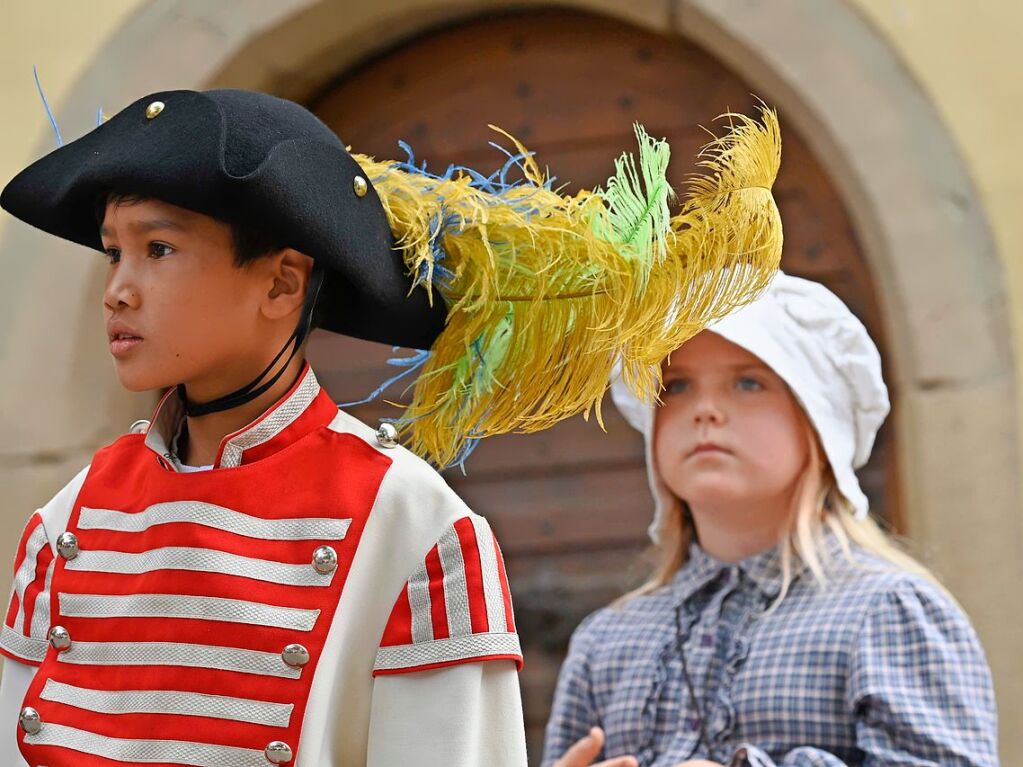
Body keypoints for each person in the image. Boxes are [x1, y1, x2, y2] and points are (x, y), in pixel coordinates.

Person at [0, 88, 783, 766]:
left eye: (158, 248)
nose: (118, 291)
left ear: (281, 281)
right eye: (112, 254)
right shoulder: (66, 524)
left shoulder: (416, 530)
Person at [543, 273, 998, 767]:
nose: (705, 410)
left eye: (748, 382)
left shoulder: (888, 612)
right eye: (676, 385)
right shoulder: (605, 641)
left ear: (819, 421)